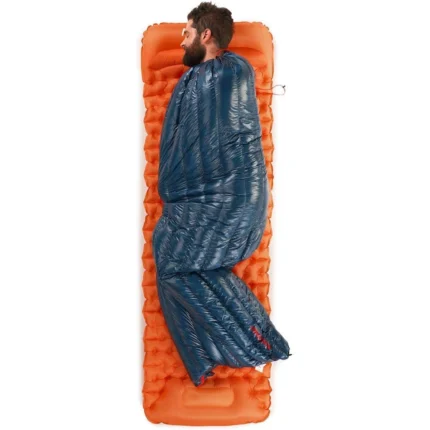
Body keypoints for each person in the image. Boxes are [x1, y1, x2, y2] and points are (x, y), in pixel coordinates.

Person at [152, 2, 292, 387]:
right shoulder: (196, 78)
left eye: (186, 33)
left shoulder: (230, 72)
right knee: (169, 252)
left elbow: (217, 141)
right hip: (202, 203)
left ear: (206, 35)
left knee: (172, 263)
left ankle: (258, 344)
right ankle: (205, 360)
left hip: (227, 203)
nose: (183, 41)